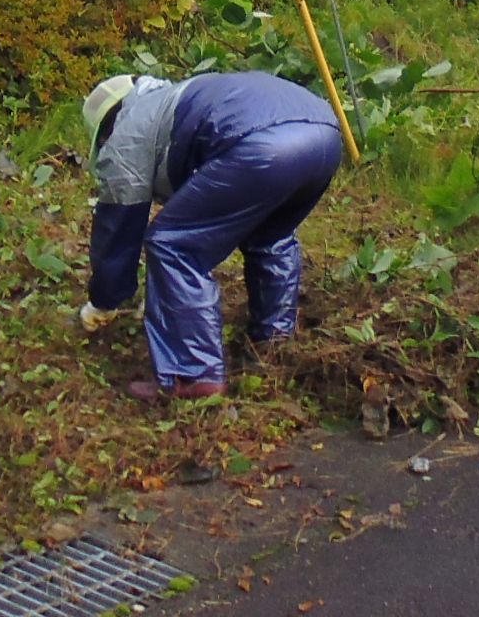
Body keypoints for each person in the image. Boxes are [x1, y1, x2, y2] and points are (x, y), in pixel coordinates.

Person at [81, 70, 344, 402]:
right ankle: (272, 346)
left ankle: (192, 375)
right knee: (269, 236)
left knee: (174, 243)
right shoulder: (175, 99)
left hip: (261, 144)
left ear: (106, 130)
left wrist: (105, 301)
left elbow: (118, 229)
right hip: (324, 134)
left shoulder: (126, 134)